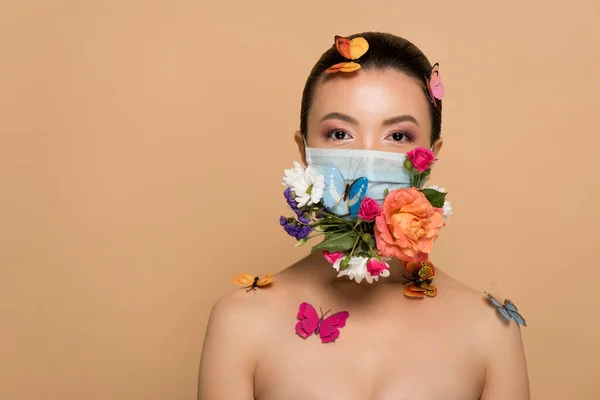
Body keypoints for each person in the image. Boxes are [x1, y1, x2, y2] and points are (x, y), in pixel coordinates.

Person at [198, 31, 529, 400]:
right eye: (340, 133)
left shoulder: (489, 331)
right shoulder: (240, 323)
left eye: (398, 136)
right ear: (304, 150)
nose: (367, 157)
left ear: (430, 157)